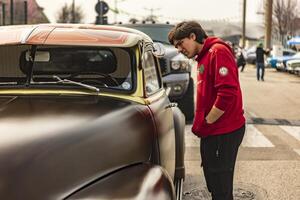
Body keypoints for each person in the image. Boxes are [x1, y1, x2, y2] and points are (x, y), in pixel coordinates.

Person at [168, 21, 245, 200]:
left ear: (193, 36)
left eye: (180, 44)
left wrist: (207, 122)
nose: (179, 49)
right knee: (213, 181)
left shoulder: (217, 51)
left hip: (223, 132)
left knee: (221, 187)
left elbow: (227, 93)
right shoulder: (203, 55)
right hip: (213, 132)